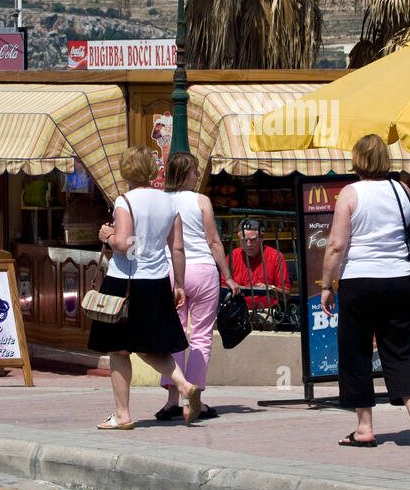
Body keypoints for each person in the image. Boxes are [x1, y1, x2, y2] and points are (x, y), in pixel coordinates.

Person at [319, 134, 410, 448]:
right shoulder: (403, 190)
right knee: (399, 349)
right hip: (398, 278)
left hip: (359, 280)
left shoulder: (349, 193)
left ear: (357, 160)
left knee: (356, 351)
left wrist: (326, 285)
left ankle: (364, 427)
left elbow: (335, 245)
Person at [88, 146, 204, 428]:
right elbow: (177, 247)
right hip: (157, 282)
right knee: (150, 348)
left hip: (124, 281)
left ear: (127, 170)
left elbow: (126, 244)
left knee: (118, 349)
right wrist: (178, 283)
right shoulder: (168, 202)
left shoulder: (125, 201)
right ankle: (186, 386)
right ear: (151, 170)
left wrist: (108, 235)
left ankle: (122, 414)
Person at [154, 151, 240, 422]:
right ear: (185, 173)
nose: (197, 175)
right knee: (201, 335)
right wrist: (228, 275)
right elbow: (214, 242)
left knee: (175, 335)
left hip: (171, 271)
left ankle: (172, 400)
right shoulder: (201, 200)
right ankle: (196, 400)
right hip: (202, 270)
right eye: (194, 171)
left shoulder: (161, 201)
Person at [231, 218, 291, 313]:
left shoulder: (275, 256)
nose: (248, 244)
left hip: (265, 310)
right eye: (244, 240)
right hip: (236, 309)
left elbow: (286, 294)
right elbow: (222, 287)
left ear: (262, 238)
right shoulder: (233, 255)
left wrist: (269, 288)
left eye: (253, 240)